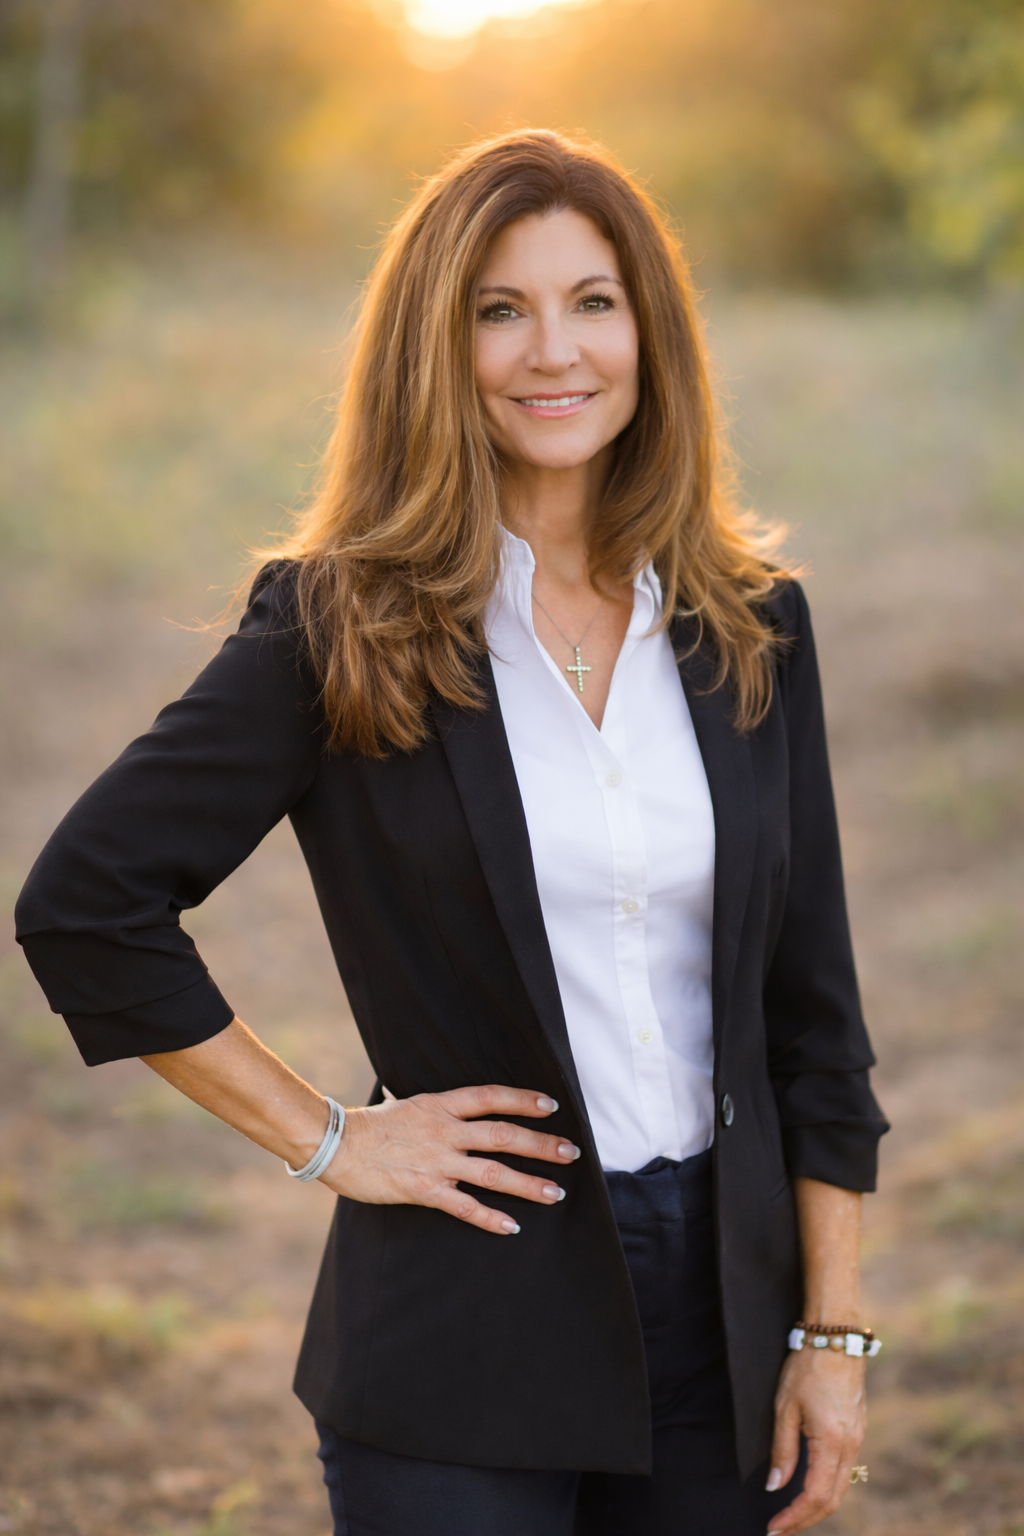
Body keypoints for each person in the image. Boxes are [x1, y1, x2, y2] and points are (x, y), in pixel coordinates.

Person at [15, 130, 887, 1536]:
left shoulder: (749, 625)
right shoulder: (339, 623)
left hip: (728, 1316)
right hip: (464, 1322)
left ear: (651, 335)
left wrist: (831, 1333)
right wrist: (329, 1140)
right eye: (500, 309)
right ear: (438, 345)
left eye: (593, 301)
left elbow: (814, 1010)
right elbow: (87, 904)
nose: (555, 351)